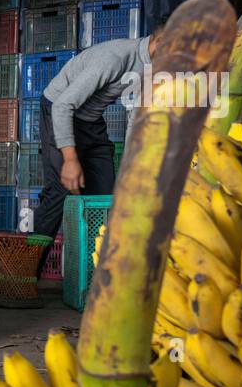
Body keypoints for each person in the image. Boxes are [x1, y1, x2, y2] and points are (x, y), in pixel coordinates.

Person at [31, 34, 157, 241]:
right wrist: (70, 160)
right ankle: (25, 269)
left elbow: (136, 115)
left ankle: (91, 264)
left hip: (91, 120)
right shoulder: (114, 58)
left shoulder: (154, 68)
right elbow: (63, 106)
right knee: (61, 191)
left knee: (104, 195)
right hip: (59, 109)